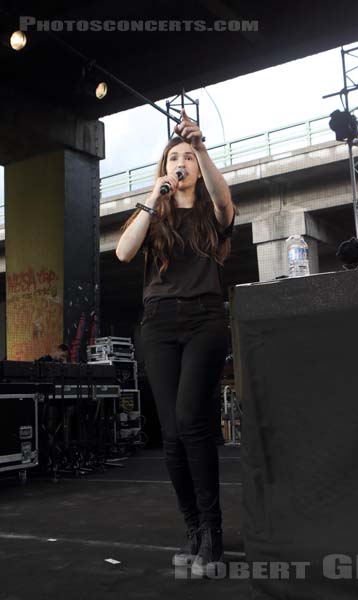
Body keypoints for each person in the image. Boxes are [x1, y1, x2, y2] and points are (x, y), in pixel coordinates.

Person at [116, 109, 236, 577]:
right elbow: (124, 252)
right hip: (160, 325)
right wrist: (154, 194)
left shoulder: (211, 211)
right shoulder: (155, 209)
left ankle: (213, 531)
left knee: (191, 419)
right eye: (175, 158)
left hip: (205, 318)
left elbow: (226, 204)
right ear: (165, 169)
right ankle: (194, 529)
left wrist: (202, 147)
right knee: (170, 434)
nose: (182, 163)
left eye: (188, 157)